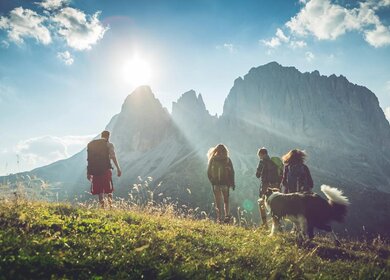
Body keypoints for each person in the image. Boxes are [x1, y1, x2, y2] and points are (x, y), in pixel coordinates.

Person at [87, 130, 122, 209]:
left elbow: (89, 159)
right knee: (108, 189)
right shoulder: (108, 145)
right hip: (106, 169)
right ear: (108, 136)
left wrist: (88, 172)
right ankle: (110, 207)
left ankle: (102, 208)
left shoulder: (92, 145)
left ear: (101, 135)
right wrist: (118, 168)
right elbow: (113, 156)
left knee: (100, 190)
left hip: (95, 171)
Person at [207, 144, 235, 223]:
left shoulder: (213, 159)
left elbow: (208, 172)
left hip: (216, 184)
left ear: (216, 150)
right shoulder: (227, 160)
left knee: (218, 202)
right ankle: (227, 215)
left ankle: (220, 218)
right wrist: (232, 184)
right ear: (225, 151)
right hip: (225, 184)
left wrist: (212, 181)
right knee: (226, 201)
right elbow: (232, 172)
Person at [256, 147, 281, 229]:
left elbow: (257, 175)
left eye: (259, 155)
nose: (259, 157)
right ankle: (277, 225)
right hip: (275, 186)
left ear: (262, 154)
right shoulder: (274, 162)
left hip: (265, 186)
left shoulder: (262, 162)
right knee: (276, 205)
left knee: (261, 203)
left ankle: (264, 224)